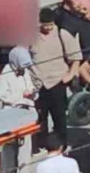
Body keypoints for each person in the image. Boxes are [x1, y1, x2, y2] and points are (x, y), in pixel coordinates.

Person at [31, 9, 81, 145]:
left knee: (59, 116)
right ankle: (42, 142)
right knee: (40, 116)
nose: (47, 28)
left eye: (50, 25)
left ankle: (62, 142)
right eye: (44, 25)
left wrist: (70, 75)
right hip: (38, 83)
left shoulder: (62, 34)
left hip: (57, 81)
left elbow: (75, 58)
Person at [0, 48, 39, 173]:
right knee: (9, 145)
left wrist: (32, 93)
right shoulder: (6, 74)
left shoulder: (25, 71)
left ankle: (23, 172)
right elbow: (2, 94)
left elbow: (31, 86)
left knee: (26, 143)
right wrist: (20, 98)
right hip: (11, 113)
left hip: (26, 111)